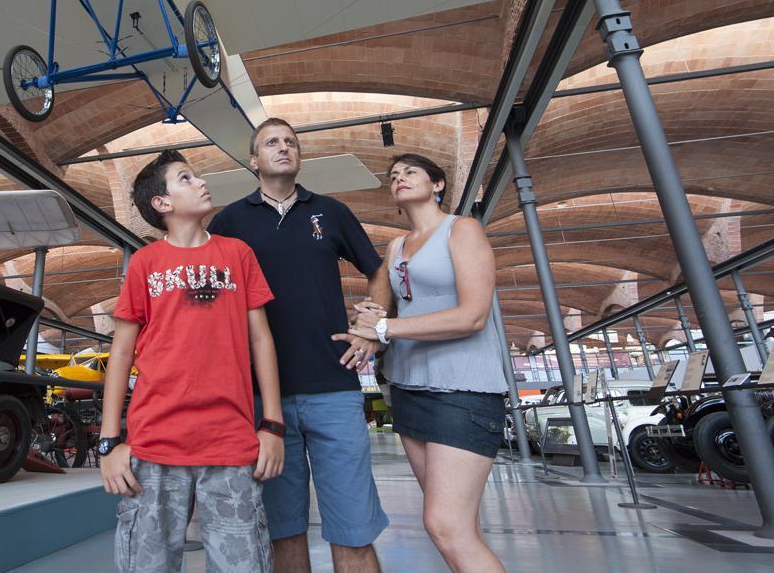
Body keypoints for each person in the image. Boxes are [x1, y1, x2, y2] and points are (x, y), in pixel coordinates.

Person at [208, 118, 390, 573]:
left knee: (353, 532)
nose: (283, 147)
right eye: (272, 142)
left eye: (290, 142)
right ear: (253, 161)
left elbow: (379, 270)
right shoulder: (228, 222)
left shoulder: (330, 211)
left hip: (334, 389)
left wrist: (372, 324)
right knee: (283, 533)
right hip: (262, 401)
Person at [99, 149, 286, 572]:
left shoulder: (237, 254)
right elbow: (122, 353)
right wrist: (109, 441)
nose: (201, 183)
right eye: (186, 178)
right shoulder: (145, 263)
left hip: (231, 444)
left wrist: (272, 425)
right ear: (161, 204)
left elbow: (261, 340)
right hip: (154, 445)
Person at [336, 152, 507, 573]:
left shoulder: (461, 230)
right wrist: (367, 320)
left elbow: (473, 315)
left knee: (446, 525)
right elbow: (393, 315)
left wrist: (384, 329)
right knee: (454, 528)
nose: (399, 178)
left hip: (462, 392)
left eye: (411, 172)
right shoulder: (396, 247)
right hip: (410, 388)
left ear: (438, 185)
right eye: (393, 175)